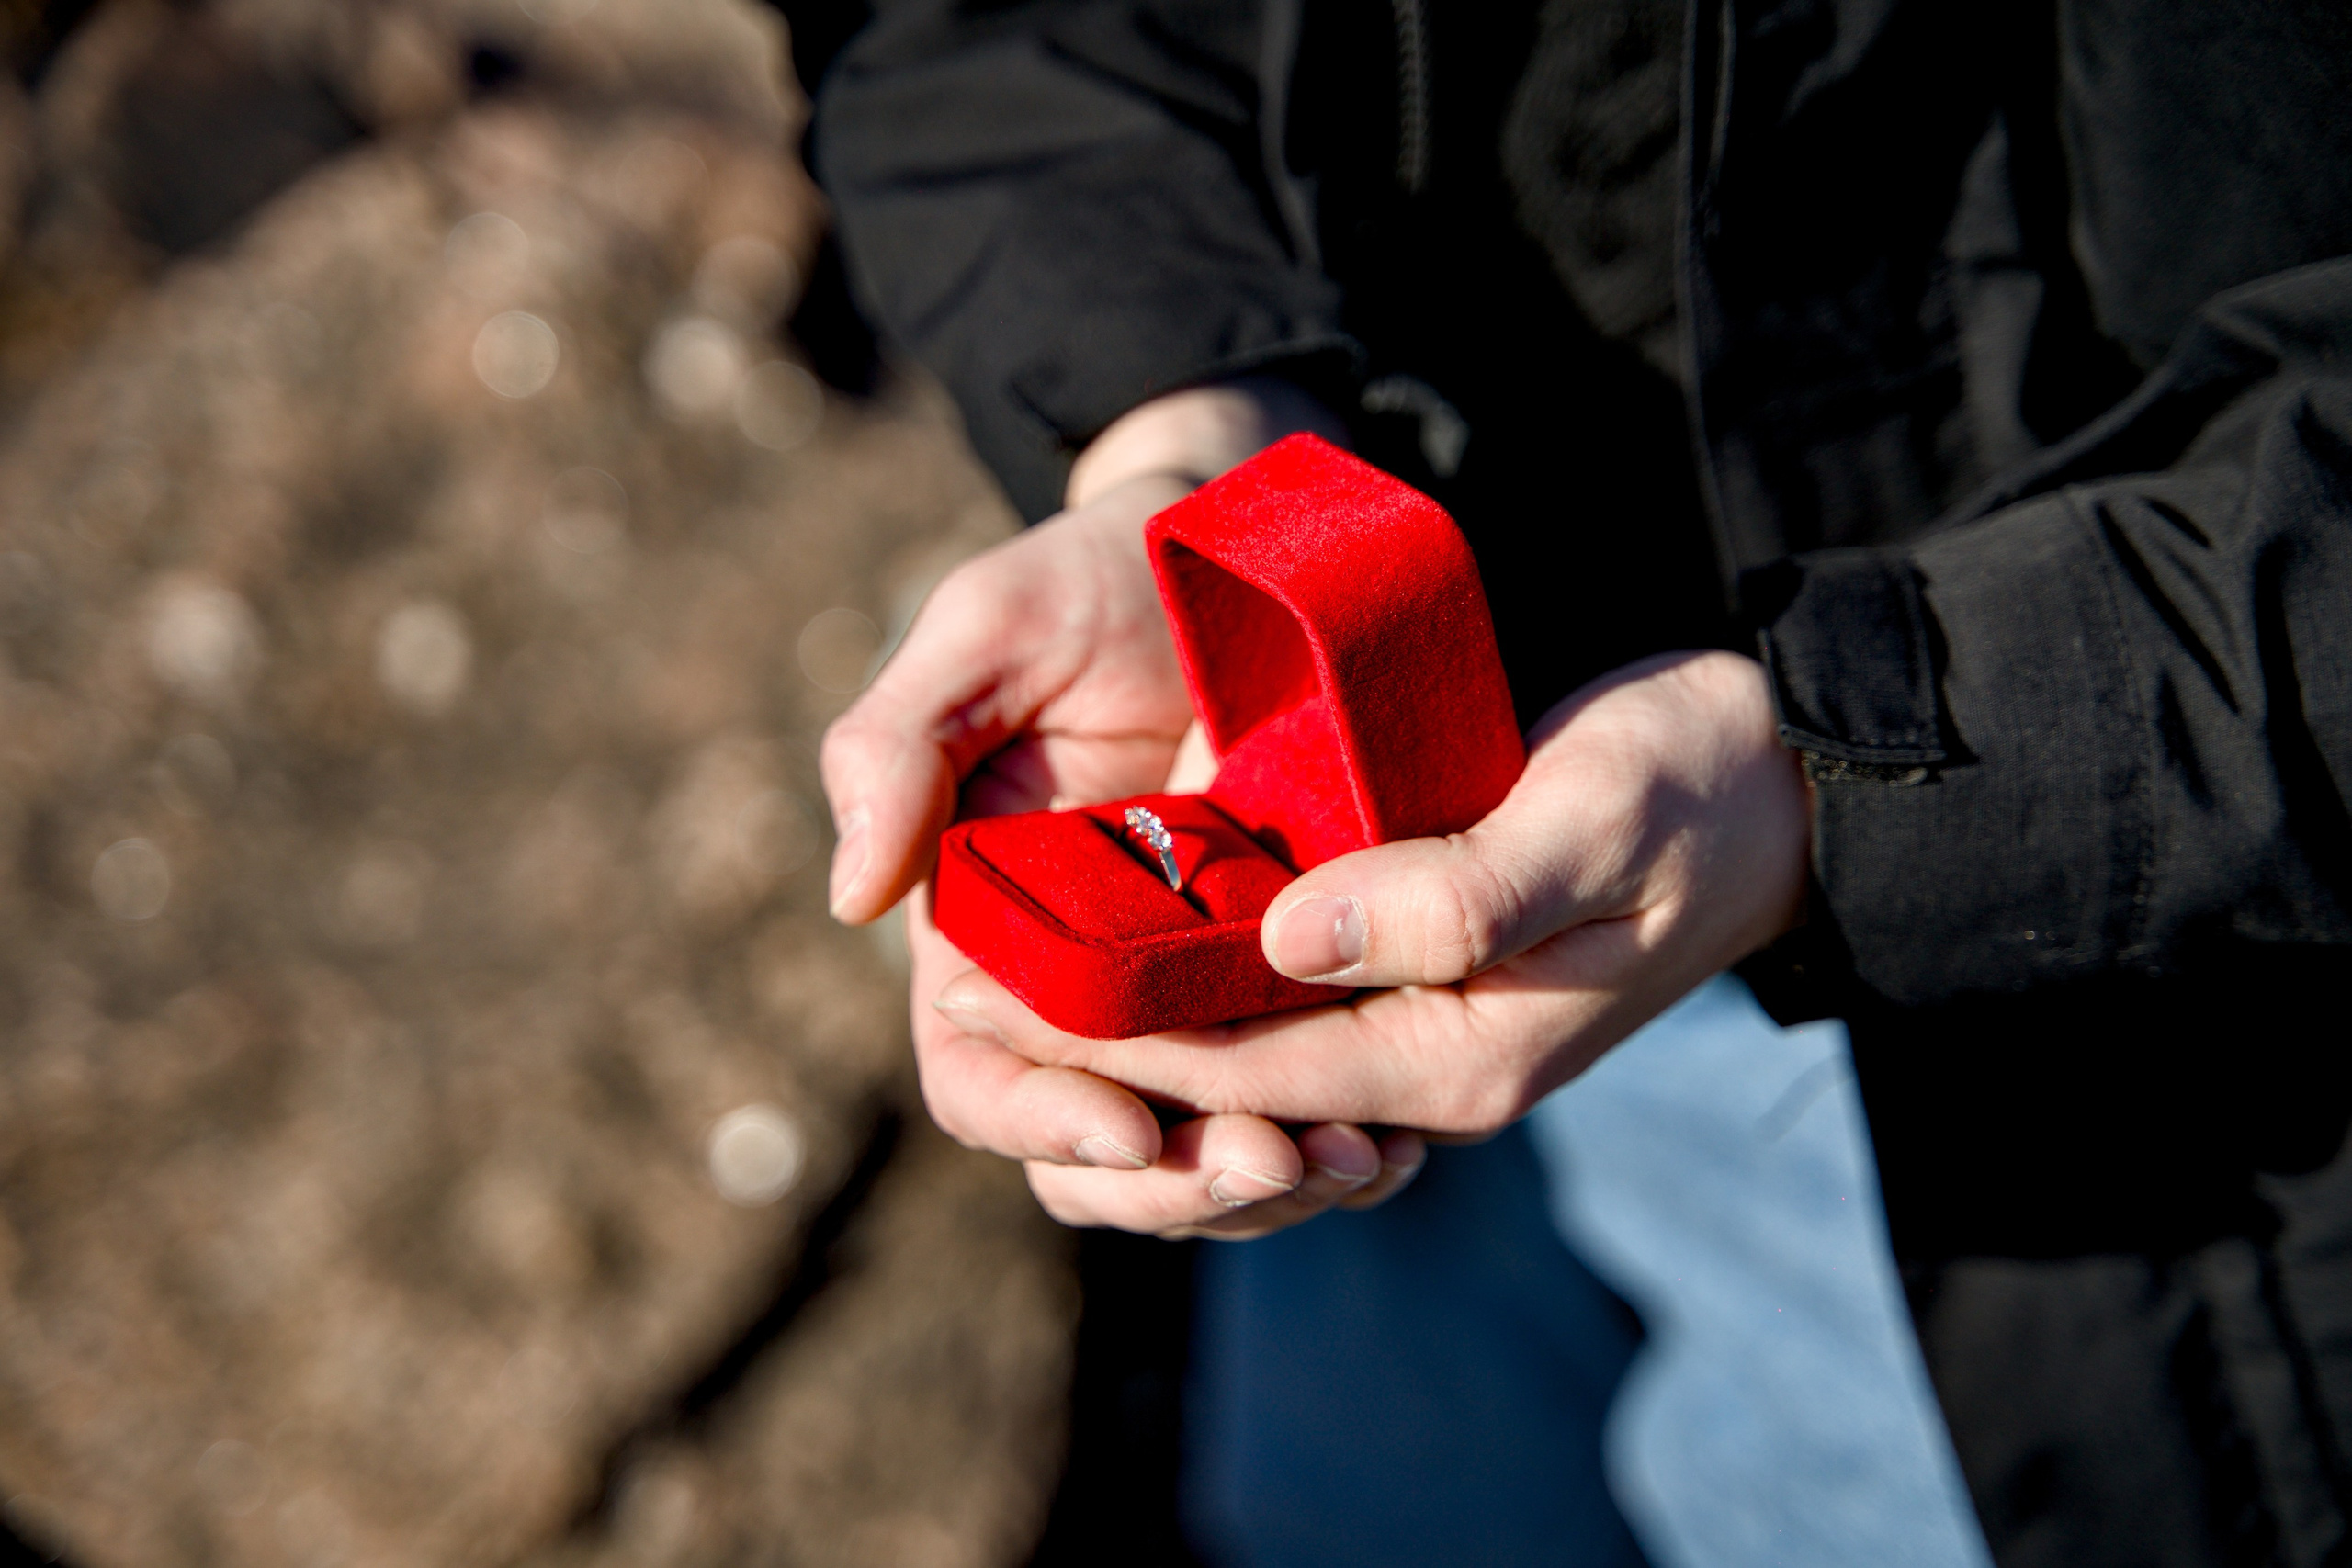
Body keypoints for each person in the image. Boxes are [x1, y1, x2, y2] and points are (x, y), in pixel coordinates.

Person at [808, 2, 2352, 1562]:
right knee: (1362, 1478)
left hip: (2112, 979)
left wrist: (1864, 765)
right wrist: (1186, 419)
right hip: (1370, 754)